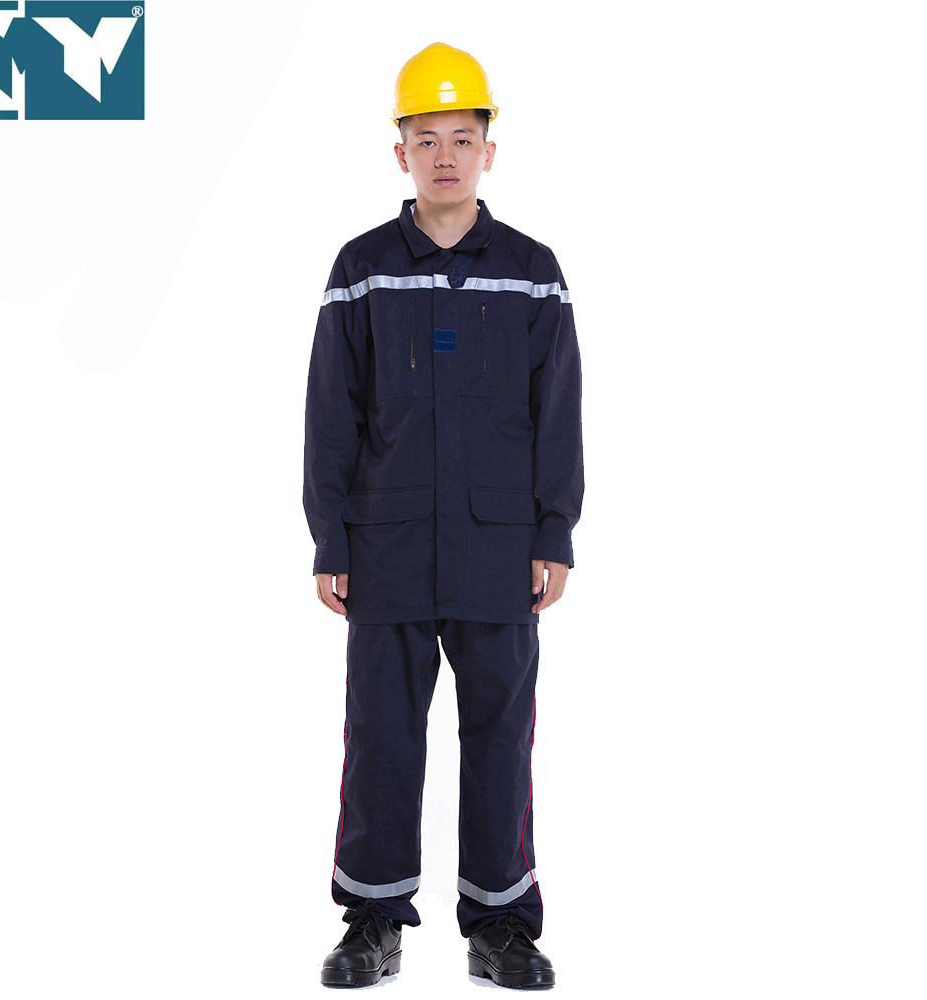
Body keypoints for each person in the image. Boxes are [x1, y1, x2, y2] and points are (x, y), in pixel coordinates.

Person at [303, 41, 584, 990]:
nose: (446, 157)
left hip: (499, 549)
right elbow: (332, 412)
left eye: (462, 138)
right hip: (384, 545)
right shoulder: (363, 269)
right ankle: (373, 919)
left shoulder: (533, 272)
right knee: (382, 735)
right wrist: (330, 537)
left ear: (489, 149)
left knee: (500, 737)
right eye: (427, 140)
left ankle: (501, 925)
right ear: (401, 153)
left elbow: (558, 413)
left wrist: (554, 531)